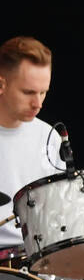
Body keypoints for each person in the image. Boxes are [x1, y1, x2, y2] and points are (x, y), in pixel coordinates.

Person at [0, 36, 62, 255]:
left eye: (43, 92)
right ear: (1, 84)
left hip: (35, 263)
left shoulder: (50, 137)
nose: (38, 103)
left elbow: (57, 216)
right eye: (28, 93)